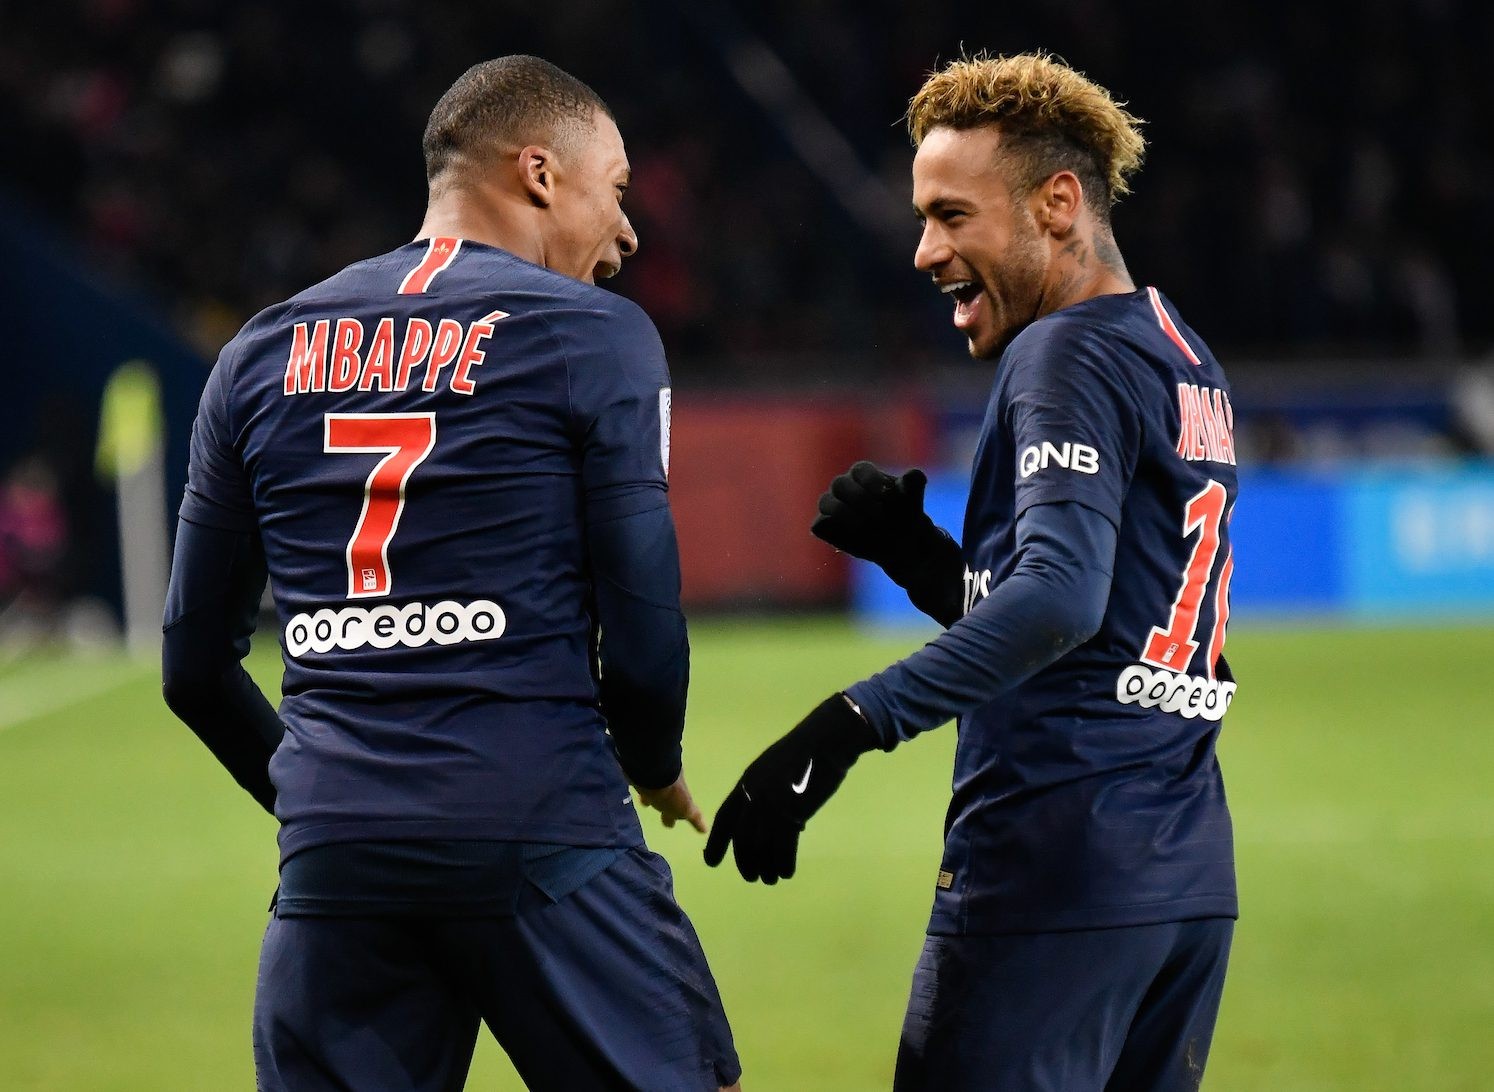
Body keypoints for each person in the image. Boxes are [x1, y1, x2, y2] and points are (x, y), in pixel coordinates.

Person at [161, 55, 740, 1092]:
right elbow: (644, 628)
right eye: (616, 190)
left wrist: (328, 805)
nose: (628, 232)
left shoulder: (254, 355)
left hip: (336, 860)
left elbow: (193, 667)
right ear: (539, 173)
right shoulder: (595, 337)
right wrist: (655, 762)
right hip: (542, 827)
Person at [705, 52, 1239, 1091]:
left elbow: (1061, 600)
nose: (925, 250)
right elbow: (1104, 631)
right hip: (1179, 884)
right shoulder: (1181, 353)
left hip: (1048, 867)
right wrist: (926, 564)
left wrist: (846, 726)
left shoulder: (1064, 353)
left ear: (1057, 204)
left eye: (952, 215)